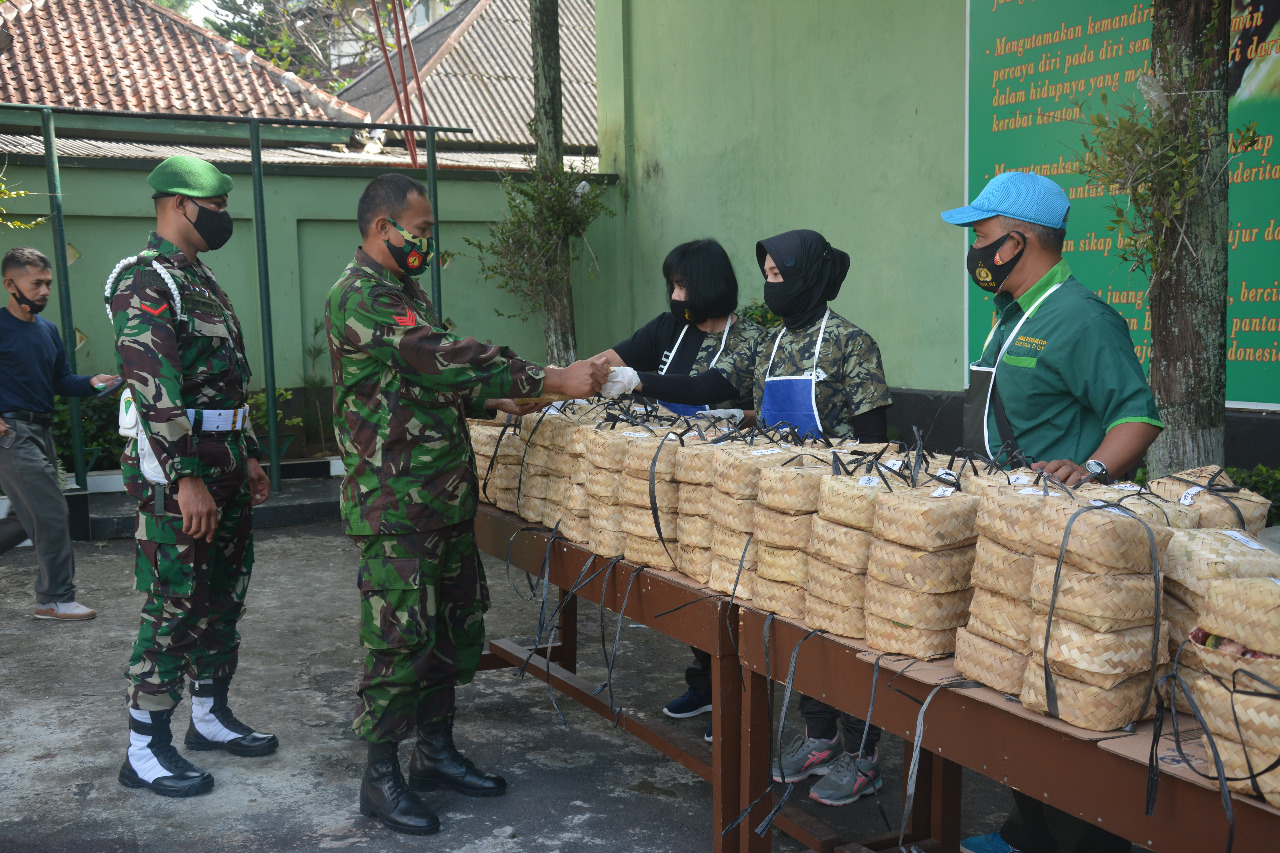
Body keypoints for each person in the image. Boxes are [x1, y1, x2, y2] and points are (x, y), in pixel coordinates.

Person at [327, 173, 607, 836]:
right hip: (393, 506)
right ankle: (381, 775)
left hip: (441, 500)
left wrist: (487, 398)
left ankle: (436, 751)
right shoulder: (360, 297)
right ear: (380, 228)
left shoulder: (404, 290)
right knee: (399, 641)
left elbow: (421, 382)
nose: (426, 242)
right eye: (419, 232)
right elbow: (438, 355)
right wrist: (546, 377)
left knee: (449, 631)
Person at [609, 229, 893, 807]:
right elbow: (713, 384)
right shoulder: (766, 343)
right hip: (781, 505)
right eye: (765, 275)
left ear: (808, 276)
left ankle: (865, 755)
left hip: (839, 511)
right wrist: (642, 380)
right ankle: (820, 737)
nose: (770, 285)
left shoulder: (850, 343)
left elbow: (874, 442)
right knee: (792, 625)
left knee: (845, 630)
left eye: (779, 275)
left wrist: (859, 510)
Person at [944, 171, 1161, 853]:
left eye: (981, 235)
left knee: (1063, 700)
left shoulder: (1082, 317)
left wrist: (1091, 468)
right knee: (1017, 690)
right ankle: (1027, 830)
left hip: (1064, 545)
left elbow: (1138, 417)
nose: (974, 248)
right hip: (1011, 531)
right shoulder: (1013, 314)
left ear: (1020, 239)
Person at [107, 156, 277, 799]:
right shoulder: (145, 279)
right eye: (218, 206)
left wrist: (252, 452)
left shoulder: (197, 278)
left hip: (227, 463)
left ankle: (208, 716)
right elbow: (154, 386)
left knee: (223, 596)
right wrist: (185, 479)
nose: (224, 217)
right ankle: (145, 747)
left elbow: (226, 380)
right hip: (182, 474)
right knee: (176, 600)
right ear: (180, 204)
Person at [594, 238, 764, 741]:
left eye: (683, 284)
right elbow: (613, 358)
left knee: (723, 585)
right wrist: (576, 375)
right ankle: (704, 681)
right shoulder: (671, 327)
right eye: (672, 285)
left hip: (723, 482)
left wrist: (638, 381)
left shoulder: (747, 337)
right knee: (681, 580)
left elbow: (710, 387)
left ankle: (733, 695)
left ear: (708, 284)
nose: (675, 294)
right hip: (664, 475)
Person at [0, 246, 116, 620]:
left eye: (48, 283)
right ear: (10, 284)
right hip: (10, 434)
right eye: (36, 283)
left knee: (24, 518)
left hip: (41, 432)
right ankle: (53, 599)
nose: (45, 290)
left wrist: (93, 382)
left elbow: (62, 381)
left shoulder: (48, 331)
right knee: (50, 514)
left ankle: (54, 597)